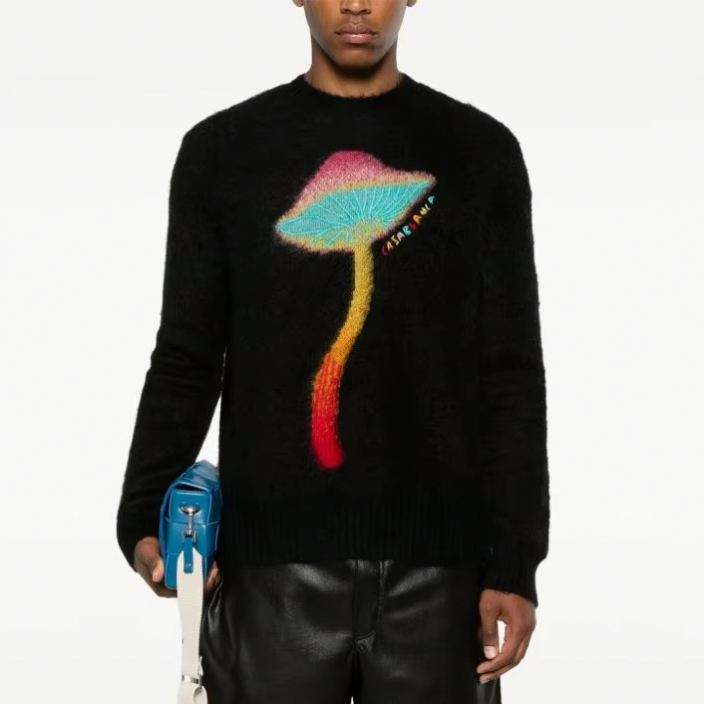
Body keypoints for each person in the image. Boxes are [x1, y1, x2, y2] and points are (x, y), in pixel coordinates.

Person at [115, 1, 550, 701]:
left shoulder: (479, 152)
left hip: (441, 575)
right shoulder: (223, 152)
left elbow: (510, 371)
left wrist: (515, 561)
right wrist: (143, 514)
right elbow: (188, 356)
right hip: (267, 571)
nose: (356, 3)